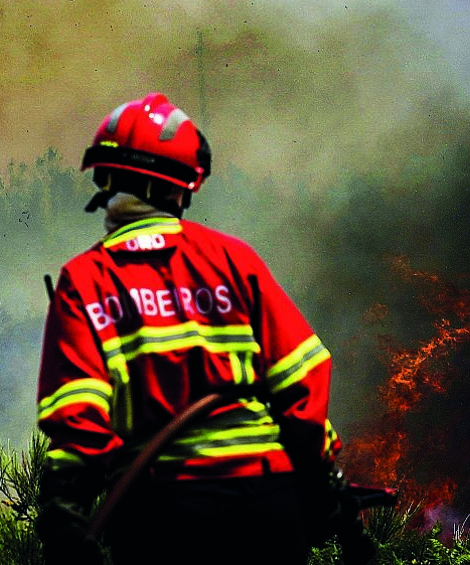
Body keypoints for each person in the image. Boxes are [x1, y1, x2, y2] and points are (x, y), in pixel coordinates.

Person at [35, 92, 343, 565]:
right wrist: (320, 485)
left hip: (161, 515)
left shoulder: (87, 278)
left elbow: (77, 417)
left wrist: (64, 516)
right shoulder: (233, 259)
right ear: (182, 187)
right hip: (265, 506)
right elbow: (303, 379)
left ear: (105, 179)